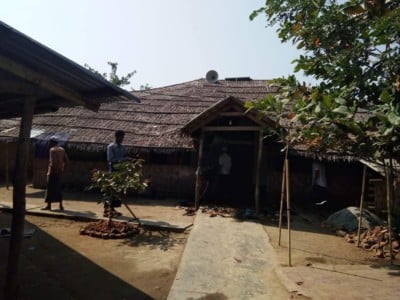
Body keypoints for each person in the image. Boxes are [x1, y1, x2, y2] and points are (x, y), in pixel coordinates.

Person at [41, 137, 69, 211]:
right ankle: (61, 205)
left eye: (50, 142)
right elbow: (66, 160)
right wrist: (63, 169)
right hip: (59, 172)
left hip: (52, 172)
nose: (49, 144)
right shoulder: (62, 150)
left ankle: (49, 206)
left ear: (52, 142)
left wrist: (53, 170)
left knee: (50, 189)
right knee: (58, 189)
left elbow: (53, 162)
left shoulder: (52, 150)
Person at [104, 130, 126, 217]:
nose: (122, 139)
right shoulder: (111, 147)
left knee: (116, 192)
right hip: (113, 171)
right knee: (110, 191)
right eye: (121, 137)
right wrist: (123, 160)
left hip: (120, 172)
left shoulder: (122, 147)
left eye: (123, 138)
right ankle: (106, 210)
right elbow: (110, 159)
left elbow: (123, 157)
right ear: (116, 137)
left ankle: (112, 209)